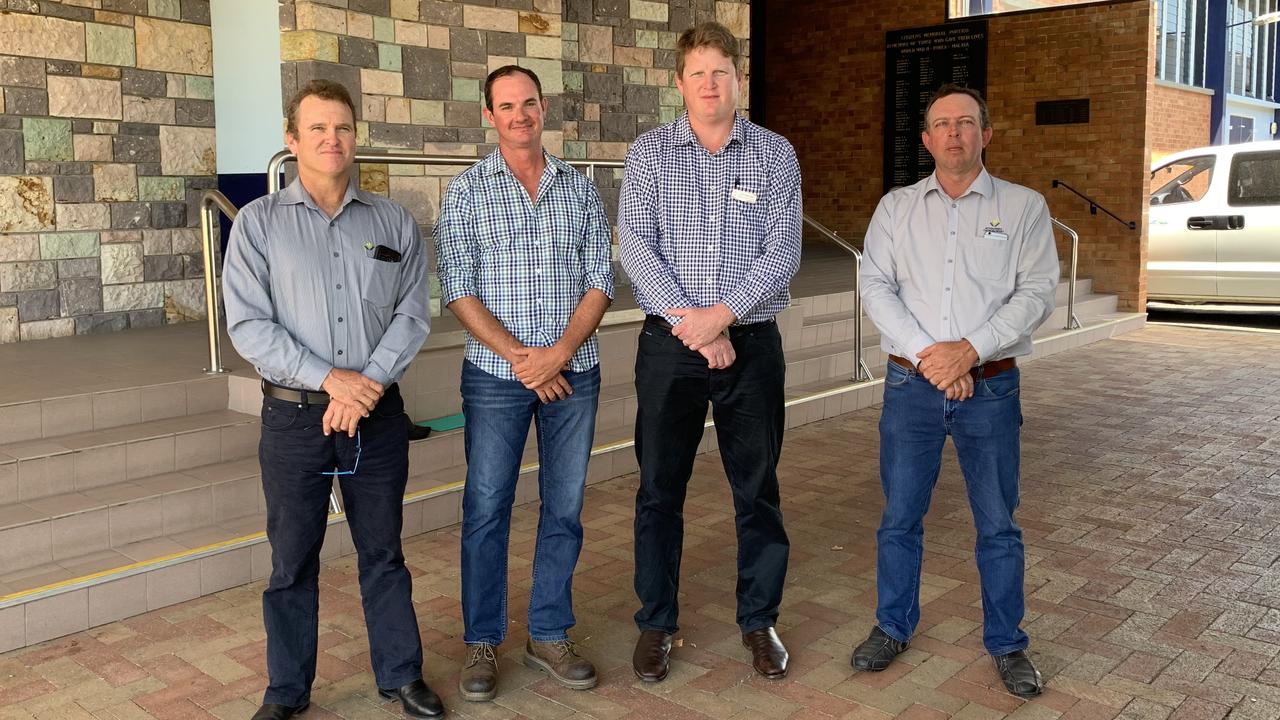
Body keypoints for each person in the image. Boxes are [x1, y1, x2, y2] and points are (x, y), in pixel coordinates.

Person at [223, 79, 444, 720]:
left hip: (377, 416)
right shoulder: (259, 225)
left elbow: (412, 311)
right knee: (293, 560)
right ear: (292, 141)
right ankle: (287, 691)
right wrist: (331, 380)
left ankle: (400, 676)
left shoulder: (392, 221)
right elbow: (249, 326)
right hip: (295, 417)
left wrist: (364, 383)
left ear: (355, 137)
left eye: (342, 127)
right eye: (317, 128)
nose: (332, 139)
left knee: (384, 552)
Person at [855, 83, 1059, 698]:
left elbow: (1036, 292)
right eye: (941, 124)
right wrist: (932, 357)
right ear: (925, 139)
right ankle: (892, 627)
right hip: (910, 386)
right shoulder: (896, 208)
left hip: (991, 389)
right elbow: (874, 286)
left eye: (965, 123)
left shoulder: (1024, 209)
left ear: (985, 134)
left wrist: (969, 350)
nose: (953, 134)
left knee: (998, 524)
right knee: (899, 518)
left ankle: (1008, 643)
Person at [617, 21, 802, 683]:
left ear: (737, 78)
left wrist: (721, 318)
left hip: (751, 347)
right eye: (697, 74)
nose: (710, 85)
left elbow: (782, 254)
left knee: (757, 491)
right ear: (680, 84)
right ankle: (656, 624)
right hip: (670, 348)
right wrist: (693, 327)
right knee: (659, 491)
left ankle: (759, 621)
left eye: (720, 72)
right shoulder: (650, 154)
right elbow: (637, 248)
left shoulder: (775, 155)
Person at [434, 65, 613, 702]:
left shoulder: (580, 189)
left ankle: (548, 632)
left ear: (544, 108)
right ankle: (483, 641)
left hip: (574, 374)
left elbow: (601, 281)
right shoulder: (465, 192)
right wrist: (521, 358)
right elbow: (456, 285)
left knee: (563, 509)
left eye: (529, 103)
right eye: (506, 106)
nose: (519, 115)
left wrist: (558, 354)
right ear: (489, 115)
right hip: (495, 378)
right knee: (486, 509)